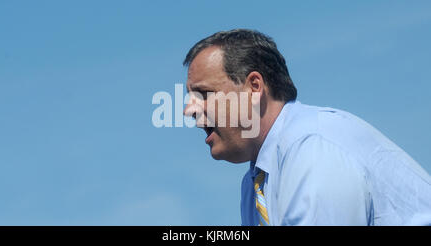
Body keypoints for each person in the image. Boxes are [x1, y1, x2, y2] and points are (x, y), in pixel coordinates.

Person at [182, 29, 431, 226]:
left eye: (203, 94)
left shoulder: (312, 149)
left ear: (254, 87)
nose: (189, 110)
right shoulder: (255, 183)